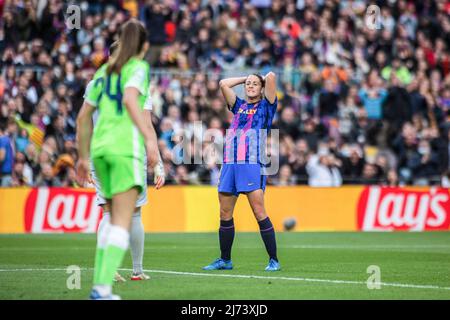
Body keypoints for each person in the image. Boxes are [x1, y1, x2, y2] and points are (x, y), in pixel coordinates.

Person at [76, 19, 161, 300]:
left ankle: (104, 281)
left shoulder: (98, 76)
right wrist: (151, 145)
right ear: (143, 46)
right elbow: (132, 106)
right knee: (127, 217)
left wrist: (82, 157)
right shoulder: (138, 70)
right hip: (125, 151)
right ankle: (105, 286)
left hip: (99, 152)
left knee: (108, 214)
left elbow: (82, 118)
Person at [203, 72, 281, 272]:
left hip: (251, 162)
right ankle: (225, 260)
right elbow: (223, 84)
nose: (251, 86)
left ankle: (274, 260)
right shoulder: (239, 106)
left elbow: (271, 77)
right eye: (248, 84)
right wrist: (246, 77)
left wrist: (261, 79)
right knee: (225, 212)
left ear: (262, 87)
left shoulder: (266, 106)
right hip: (230, 162)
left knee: (259, 211)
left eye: (255, 84)